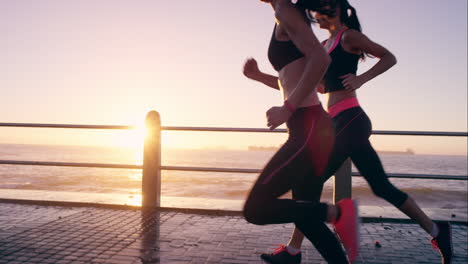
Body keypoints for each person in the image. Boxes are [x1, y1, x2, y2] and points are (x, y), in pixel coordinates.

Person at [244, 0, 453, 263]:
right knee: (381, 187)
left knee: (309, 184)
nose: (317, 17)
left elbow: (389, 57)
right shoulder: (323, 45)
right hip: (335, 122)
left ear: (337, 9)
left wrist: (361, 79)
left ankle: (308, 240)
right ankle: (436, 230)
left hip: (351, 119)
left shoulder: (349, 37)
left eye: (322, 11)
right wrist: (260, 76)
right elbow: (306, 86)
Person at [242, 0, 360, 263]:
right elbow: (301, 81)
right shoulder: (284, 13)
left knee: (256, 209)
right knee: (305, 216)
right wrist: (260, 76)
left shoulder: (285, 10)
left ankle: (336, 213)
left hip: (309, 129)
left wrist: (287, 108)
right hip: (311, 127)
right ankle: (296, 254)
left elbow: (321, 59)